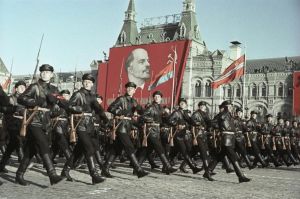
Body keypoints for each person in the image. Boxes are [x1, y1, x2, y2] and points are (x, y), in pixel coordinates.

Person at [16, 64, 63, 186]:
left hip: (46, 122)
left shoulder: (54, 89)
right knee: (43, 144)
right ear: (40, 73)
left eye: (47, 72)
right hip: (34, 120)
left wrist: (58, 107)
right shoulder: (34, 86)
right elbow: (21, 98)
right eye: (42, 72)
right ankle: (52, 175)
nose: (45, 74)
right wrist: (35, 102)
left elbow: (62, 103)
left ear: (51, 75)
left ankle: (19, 174)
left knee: (30, 151)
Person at [61, 73, 108, 184]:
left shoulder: (92, 96)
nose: (87, 83)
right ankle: (94, 175)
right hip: (80, 125)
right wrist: (81, 108)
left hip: (90, 126)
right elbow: (69, 106)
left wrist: (106, 120)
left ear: (92, 84)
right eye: (85, 81)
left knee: (77, 151)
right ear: (83, 82)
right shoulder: (78, 94)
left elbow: (99, 109)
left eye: (90, 82)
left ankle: (65, 170)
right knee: (89, 148)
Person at [101, 81, 149, 178]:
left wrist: (142, 110)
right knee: (129, 146)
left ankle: (105, 168)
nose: (130, 90)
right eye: (128, 88)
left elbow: (142, 111)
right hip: (121, 125)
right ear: (126, 89)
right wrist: (121, 112)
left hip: (128, 126)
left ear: (135, 90)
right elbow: (111, 108)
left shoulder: (134, 101)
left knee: (116, 149)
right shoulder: (121, 99)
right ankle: (138, 169)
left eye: (132, 89)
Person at [137, 90, 177, 174]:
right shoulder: (151, 107)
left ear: (161, 99)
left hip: (157, 130)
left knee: (146, 151)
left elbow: (165, 120)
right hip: (151, 129)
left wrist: (173, 122)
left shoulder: (161, 108)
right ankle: (168, 166)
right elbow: (142, 117)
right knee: (160, 148)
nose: (156, 98)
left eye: (158, 97)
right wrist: (152, 120)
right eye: (155, 96)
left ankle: (136, 168)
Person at [0, 80, 27, 173]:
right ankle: (23, 161)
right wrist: (14, 109)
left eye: (24, 87)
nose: (22, 88)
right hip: (12, 123)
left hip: (23, 123)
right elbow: (2, 108)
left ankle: (2, 164)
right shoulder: (10, 98)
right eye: (20, 87)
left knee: (11, 146)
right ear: (16, 89)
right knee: (17, 141)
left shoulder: (26, 99)